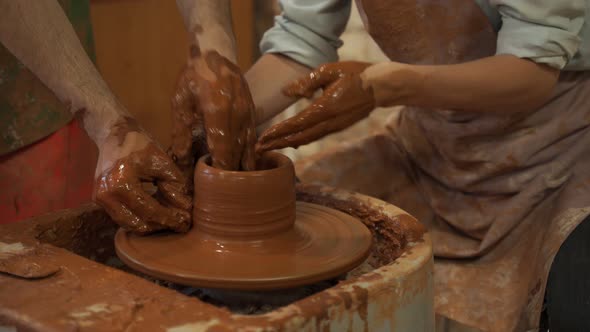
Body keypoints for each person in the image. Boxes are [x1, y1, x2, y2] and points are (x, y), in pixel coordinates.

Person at [245, 1, 590, 331]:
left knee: (575, 304)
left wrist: (392, 86)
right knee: (282, 213)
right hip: (432, 146)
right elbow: (301, 38)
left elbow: (533, 69)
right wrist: (233, 113)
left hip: (556, 154)